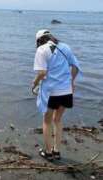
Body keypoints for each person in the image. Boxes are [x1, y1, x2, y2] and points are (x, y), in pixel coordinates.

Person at [32, 29, 81, 161]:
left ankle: (48, 153)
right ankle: (57, 151)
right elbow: (75, 66)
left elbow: (42, 73)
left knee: (47, 121)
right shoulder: (65, 47)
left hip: (51, 93)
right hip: (66, 91)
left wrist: (34, 83)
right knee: (58, 120)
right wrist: (71, 81)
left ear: (39, 40)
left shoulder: (41, 50)